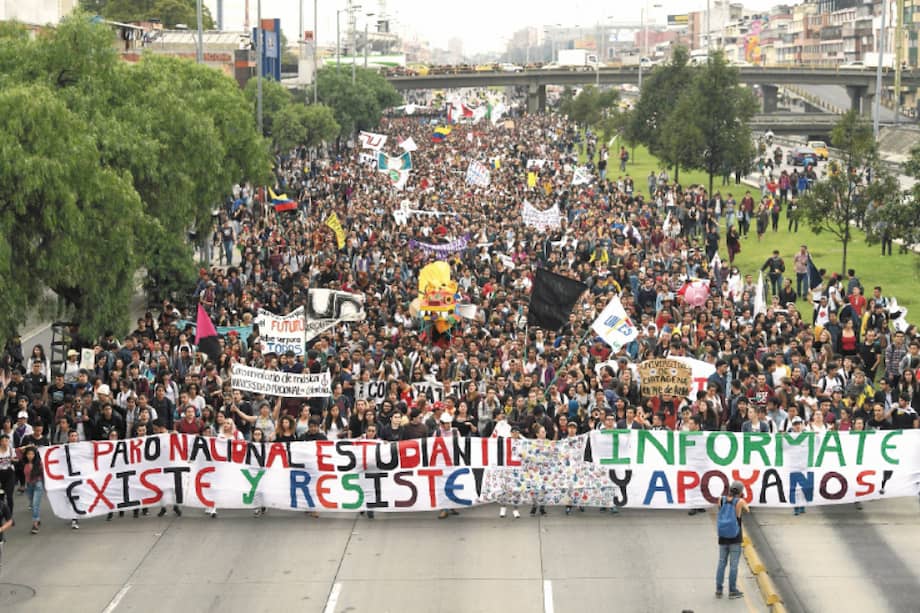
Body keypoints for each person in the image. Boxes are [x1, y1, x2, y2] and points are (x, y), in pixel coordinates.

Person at [715, 480, 749, 599]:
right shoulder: (740, 501)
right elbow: (747, 510)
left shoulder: (721, 499)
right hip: (735, 537)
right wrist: (742, 499)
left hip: (723, 536)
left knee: (721, 562)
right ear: (740, 491)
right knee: (733, 565)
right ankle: (732, 590)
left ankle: (719, 590)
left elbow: (720, 511)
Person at [21, 446, 43, 534]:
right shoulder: (24, 463)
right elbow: (18, 450)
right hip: (29, 485)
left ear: (35, 455)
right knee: (32, 504)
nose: (30, 456)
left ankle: (35, 524)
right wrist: (27, 447)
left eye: (32, 454)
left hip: (38, 484)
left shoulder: (39, 463)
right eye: (28, 454)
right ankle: (37, 519)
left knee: (35, 503)